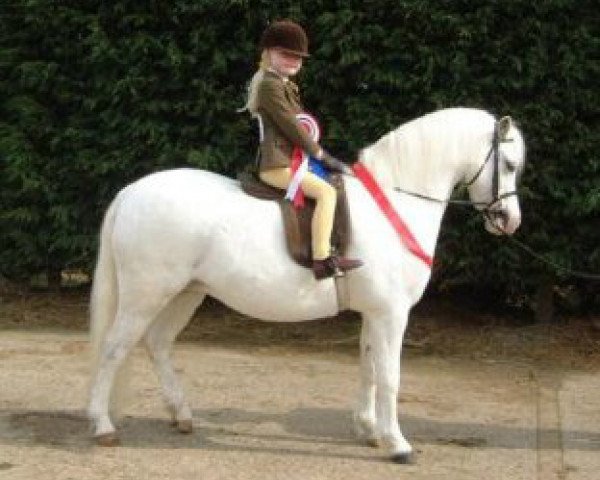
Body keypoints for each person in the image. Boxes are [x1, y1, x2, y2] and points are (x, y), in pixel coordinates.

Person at [241, 19, 363, 280]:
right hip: (277, 164)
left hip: (291, 161)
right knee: (326, 193)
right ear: (268, 53)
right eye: (286, 54)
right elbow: (293, 128)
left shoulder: (285, 85)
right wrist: (322, 156)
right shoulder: (269, 86)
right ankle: (322, 259)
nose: (293, 61)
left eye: (298, 57)